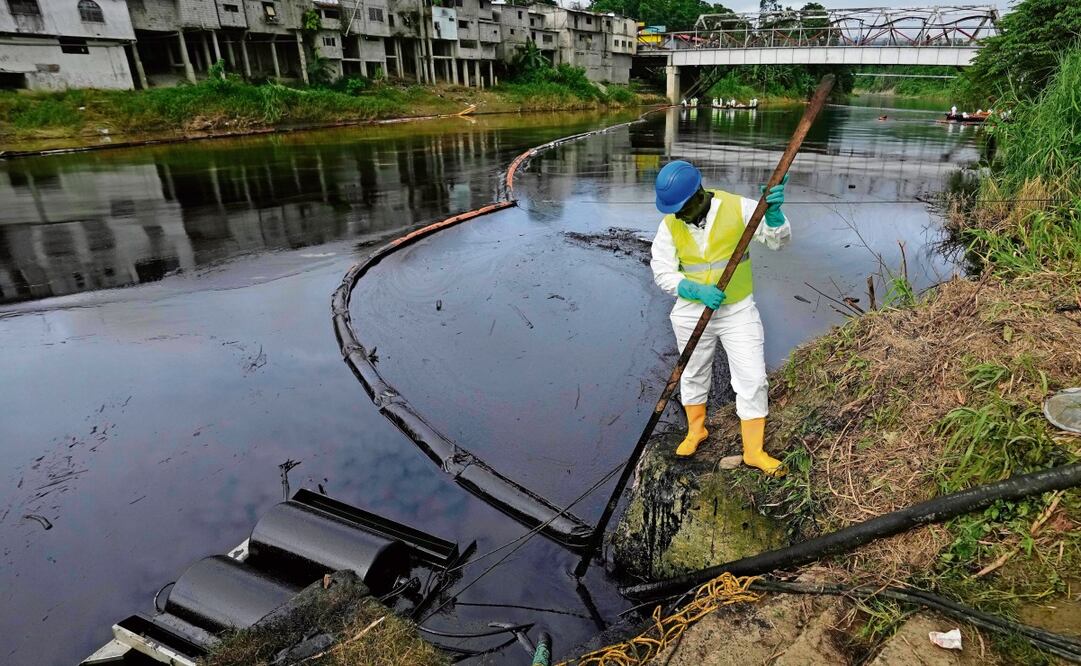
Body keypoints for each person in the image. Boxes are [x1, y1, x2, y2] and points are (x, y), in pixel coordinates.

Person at [650, 160, 790, 476]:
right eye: (673, 210)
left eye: (682, 208)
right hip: (691, 311)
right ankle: (696, 429)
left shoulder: (738, 207)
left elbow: (776, 241)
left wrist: (774, 215)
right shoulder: (670, 225)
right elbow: (661, 271)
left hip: (736, 309)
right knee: (693, 371)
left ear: (698, 195)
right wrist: (693, 289)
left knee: (752, 378)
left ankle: (753, 451)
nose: (677, 215)